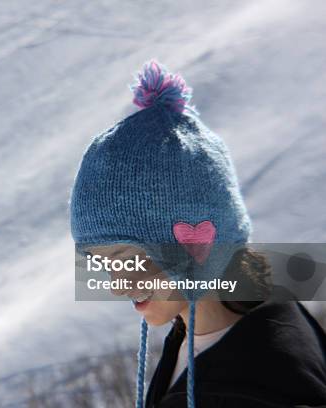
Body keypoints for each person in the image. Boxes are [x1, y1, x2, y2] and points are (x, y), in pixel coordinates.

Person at [69, 60, 326, 407]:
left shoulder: (251, 388)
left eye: (126, 258)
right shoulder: (236, 330)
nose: (118, 284)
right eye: (104, 263)